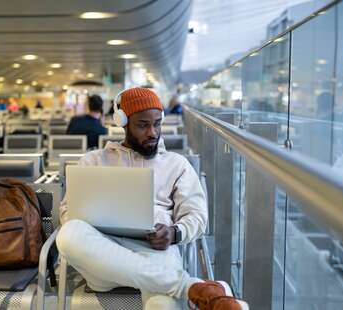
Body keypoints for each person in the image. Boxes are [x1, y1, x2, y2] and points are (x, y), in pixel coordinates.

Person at [57, 87, 243, 310]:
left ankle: (181, 287)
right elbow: (68, 212)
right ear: (123, 123)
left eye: (157, 124)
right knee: (69, 234)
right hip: (104, 256)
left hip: (155, 252)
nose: (152, 132)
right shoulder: (94, 160)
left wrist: (174, 232)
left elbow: (197, 217)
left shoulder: (177, 165)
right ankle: (189, 287)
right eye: (143, 125)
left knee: (162, 306)